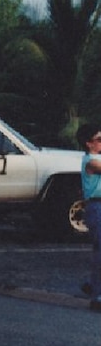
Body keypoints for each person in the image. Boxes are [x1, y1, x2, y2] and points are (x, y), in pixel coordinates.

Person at [76, 123, 101, 312]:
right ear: (88, 143)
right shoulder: (91, 161)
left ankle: (92, 284)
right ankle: (97, 294)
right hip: (97, 206)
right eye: (99, 139)